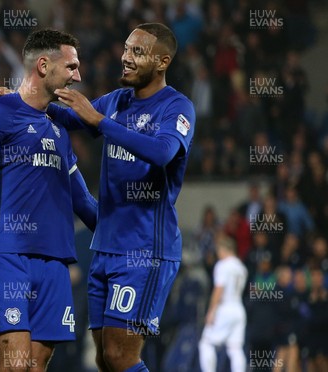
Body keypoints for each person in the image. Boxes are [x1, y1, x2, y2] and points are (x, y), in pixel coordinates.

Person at [48, 23, 196, 372]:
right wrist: (19, 98)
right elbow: (67, 117)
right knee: (104, 358)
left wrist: (100, 122)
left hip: (145, 249)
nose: (126, 58)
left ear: (162, 62)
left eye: (137, 52)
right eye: (126, 49)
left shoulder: (177, 107)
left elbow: (162, 152)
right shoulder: (116, 101)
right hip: (106, 247)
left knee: (121, 355)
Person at [0, 29, 97, 371]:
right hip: (7, 257)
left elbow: (81, 200)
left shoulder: (58, 129)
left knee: (36, 367)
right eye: (71, 67)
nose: (77, 76)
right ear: (42, 65)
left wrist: (123, 237)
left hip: (54, 264)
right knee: (13, 365)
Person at [198, 235, 247, 372]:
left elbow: (219, 290)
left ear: (224, 249)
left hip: (225, 308)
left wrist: (211, 311)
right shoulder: (241, 267)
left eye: (219, 250)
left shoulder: (223, 265)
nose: (218, 253)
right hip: (238, 308)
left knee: (206, 343)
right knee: (235, 348)